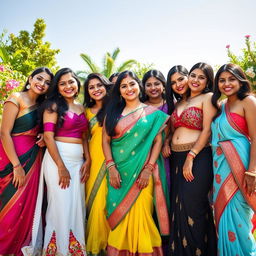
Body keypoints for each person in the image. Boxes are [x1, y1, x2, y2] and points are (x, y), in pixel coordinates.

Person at [22, 68, 90, 255]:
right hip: (57, 161)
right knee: (60, 205)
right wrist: (61, 166)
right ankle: (57, 250)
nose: (68, 86)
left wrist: (88, 159)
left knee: (76, 205)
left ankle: (75, 249)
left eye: (71, 82)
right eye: (62, 83)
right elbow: (49, 138)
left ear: (77, 83)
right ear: (57, 88)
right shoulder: (52, 106)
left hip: (78, 162)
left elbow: (84, 136)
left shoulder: (81, 107)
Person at [102, 70, 170, 256]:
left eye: (132, 84)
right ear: (120, 91)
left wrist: (148, 169)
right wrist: (111, 167)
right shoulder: (113, 112)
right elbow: (105, 141)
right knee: (118, 214)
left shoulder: (153, 114)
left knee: (143, 215)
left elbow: (157, 142)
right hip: (118, 171)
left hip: (143, 172)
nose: (128, 88)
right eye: (123, 86)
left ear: (139, 86)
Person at [0, 67, 53, 256]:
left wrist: (40, 135)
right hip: (11, 159)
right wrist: (16, 166)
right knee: (8, 204)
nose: (42, 84)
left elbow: (44, 129)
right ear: (30, 78)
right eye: (39, 78)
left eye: (47, 82)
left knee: (26, 206)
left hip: (33, 160)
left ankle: (19, 248)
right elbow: (4, 132)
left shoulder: (43, 106)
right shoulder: (16, 98)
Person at [166, 64, 217, 256]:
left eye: (199, 77)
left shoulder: (208, 98)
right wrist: (167, 142)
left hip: (197, 157)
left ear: (207, 81)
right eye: (173, 82)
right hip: (175, 159)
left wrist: (192, 155)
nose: (194, 80)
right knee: (178, 210)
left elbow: (207, 130)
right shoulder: (178, 103)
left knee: (193, 207)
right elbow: (175, 130)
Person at [211, 63, 256, 255]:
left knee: (240, 218)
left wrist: (253, 170)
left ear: (240, 80)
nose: (226, 84)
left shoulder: (249, 101)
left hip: (241, 166)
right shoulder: (220, 107)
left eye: (231, 79)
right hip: (220, 168)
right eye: (222, 80)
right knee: (223, 216)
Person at [83, 73, 112, 255]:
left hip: (115, 157)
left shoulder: (116, 107)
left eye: (99, 85)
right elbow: (84, 137)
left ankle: (112, 243)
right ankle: (96, 245)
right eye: (91, 87)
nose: (96, 89)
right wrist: (87, 158)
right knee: (95, 200)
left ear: (106, 86)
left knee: (110, 199)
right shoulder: (85, 111)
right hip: (93, 158)